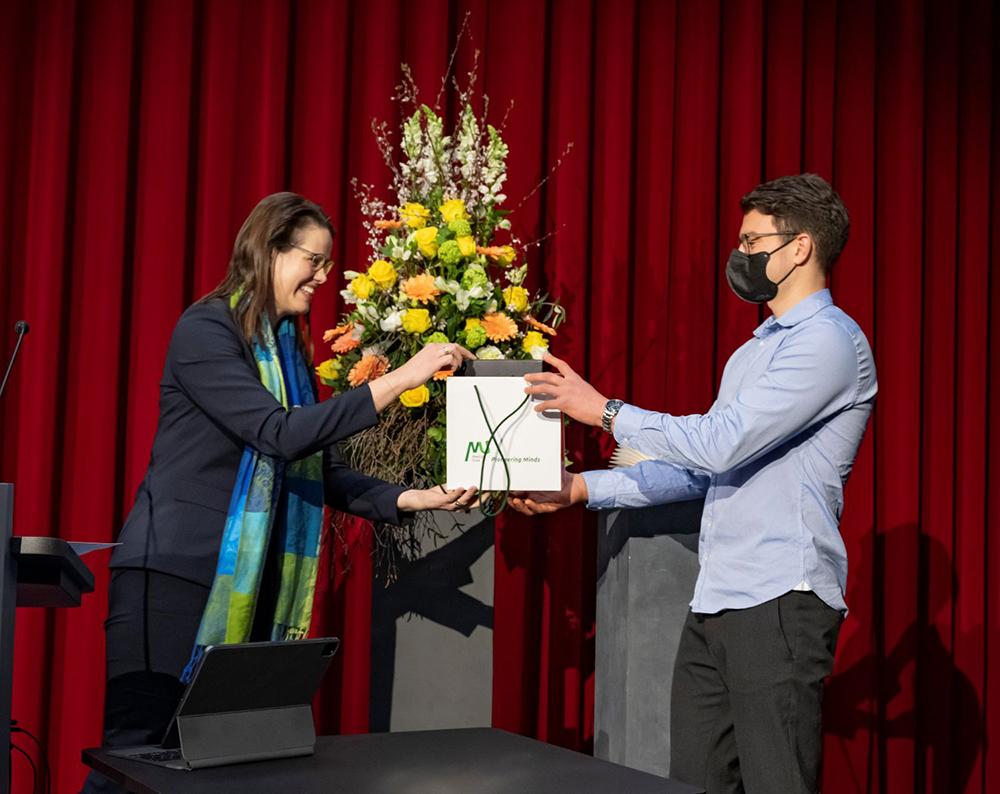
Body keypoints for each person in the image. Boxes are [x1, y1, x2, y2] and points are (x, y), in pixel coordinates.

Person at [81, 192, 477, 793]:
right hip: (175, 576)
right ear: (267, 250)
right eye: (313, 260)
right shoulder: (206, 328)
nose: (322, 277)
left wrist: (413, 498)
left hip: (252, 583)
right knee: (135, 767)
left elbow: (320, 469)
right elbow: (277, 434)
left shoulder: (289, 351)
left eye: (325, 263)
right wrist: (401, 378)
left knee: (228, 768)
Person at [512, 174, 877, 794]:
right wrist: (581, 489)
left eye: (751, 240)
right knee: (697, 780)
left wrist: (603, 410)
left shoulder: (829, 344)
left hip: (779, 597)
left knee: (776, 782)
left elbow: (721, 441)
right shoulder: (752, 353)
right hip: (717, 597)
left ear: (800, 248)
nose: (740, 255)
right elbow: (706, 467)